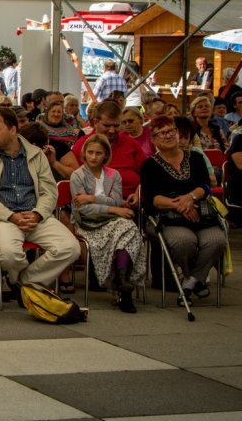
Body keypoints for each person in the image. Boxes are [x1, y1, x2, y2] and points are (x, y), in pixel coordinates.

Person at [0, 107, 80, 296]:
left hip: (35, 215)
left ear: (13, 130)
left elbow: (49, 191)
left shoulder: (36, 154)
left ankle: (23, 281)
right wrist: (10, 216)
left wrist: (37, 214)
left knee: (70, 248)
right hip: (2, 218)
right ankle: (27, 284)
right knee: (8, 254)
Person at [142, 115, 226, 305]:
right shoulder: (149, 165)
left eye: (171, 130)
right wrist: (179, 205)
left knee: (217, 241)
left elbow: (205, 186)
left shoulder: (195, 158)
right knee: (183, 242)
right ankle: (194, 279)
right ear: (154, 139)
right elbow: (153, 198)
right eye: (162, 133)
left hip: (201, 215)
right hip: (169, 217)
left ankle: (189, 282)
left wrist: (190, 198)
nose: (168, 135)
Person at [70, 134, 146, 313]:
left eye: (98, 153)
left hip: (111, 221)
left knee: (129, 228)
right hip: (89, 223)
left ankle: (122, 280)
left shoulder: (114, 174)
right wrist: (112, 209)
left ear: (106, 155)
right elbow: (83, 210)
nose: (94, 157)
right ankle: (122, 284)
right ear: (84, 153)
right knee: (125, 228)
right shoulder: (77, 176)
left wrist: (93, 198)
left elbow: (117, 200)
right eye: (90, 152)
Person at [71, 100, 145, 203]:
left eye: (116, 126)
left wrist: (138, 193)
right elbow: (75, 180)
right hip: (95, 205)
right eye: (106, 125)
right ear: (96, 122)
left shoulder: (131, 143)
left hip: (132, 202)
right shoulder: (82, 145)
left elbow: (147, 175)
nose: (112, 130)